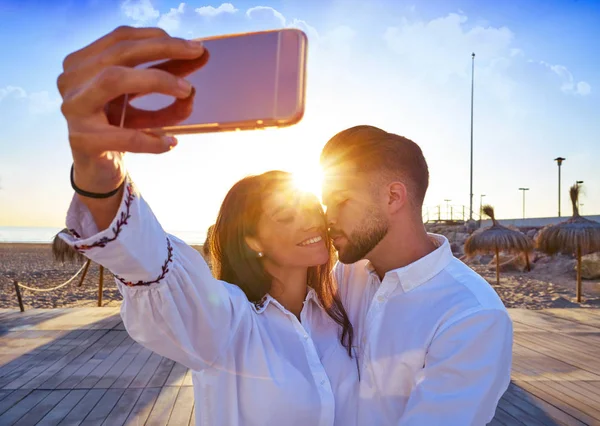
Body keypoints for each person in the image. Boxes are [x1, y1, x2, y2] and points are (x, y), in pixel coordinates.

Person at [57, 26, 359, 426]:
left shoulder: (337, 310)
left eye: (311, 206)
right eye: (286, 214)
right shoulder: (227, 319)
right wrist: (101, 173)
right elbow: (153, 268)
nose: (311, 221)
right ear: (251, 241)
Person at [320, 125, 513, 425]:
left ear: (393, 196)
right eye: (326, 204)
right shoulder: (346, 274)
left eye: (341, 201)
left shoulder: (472, 315)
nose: (328, 217)